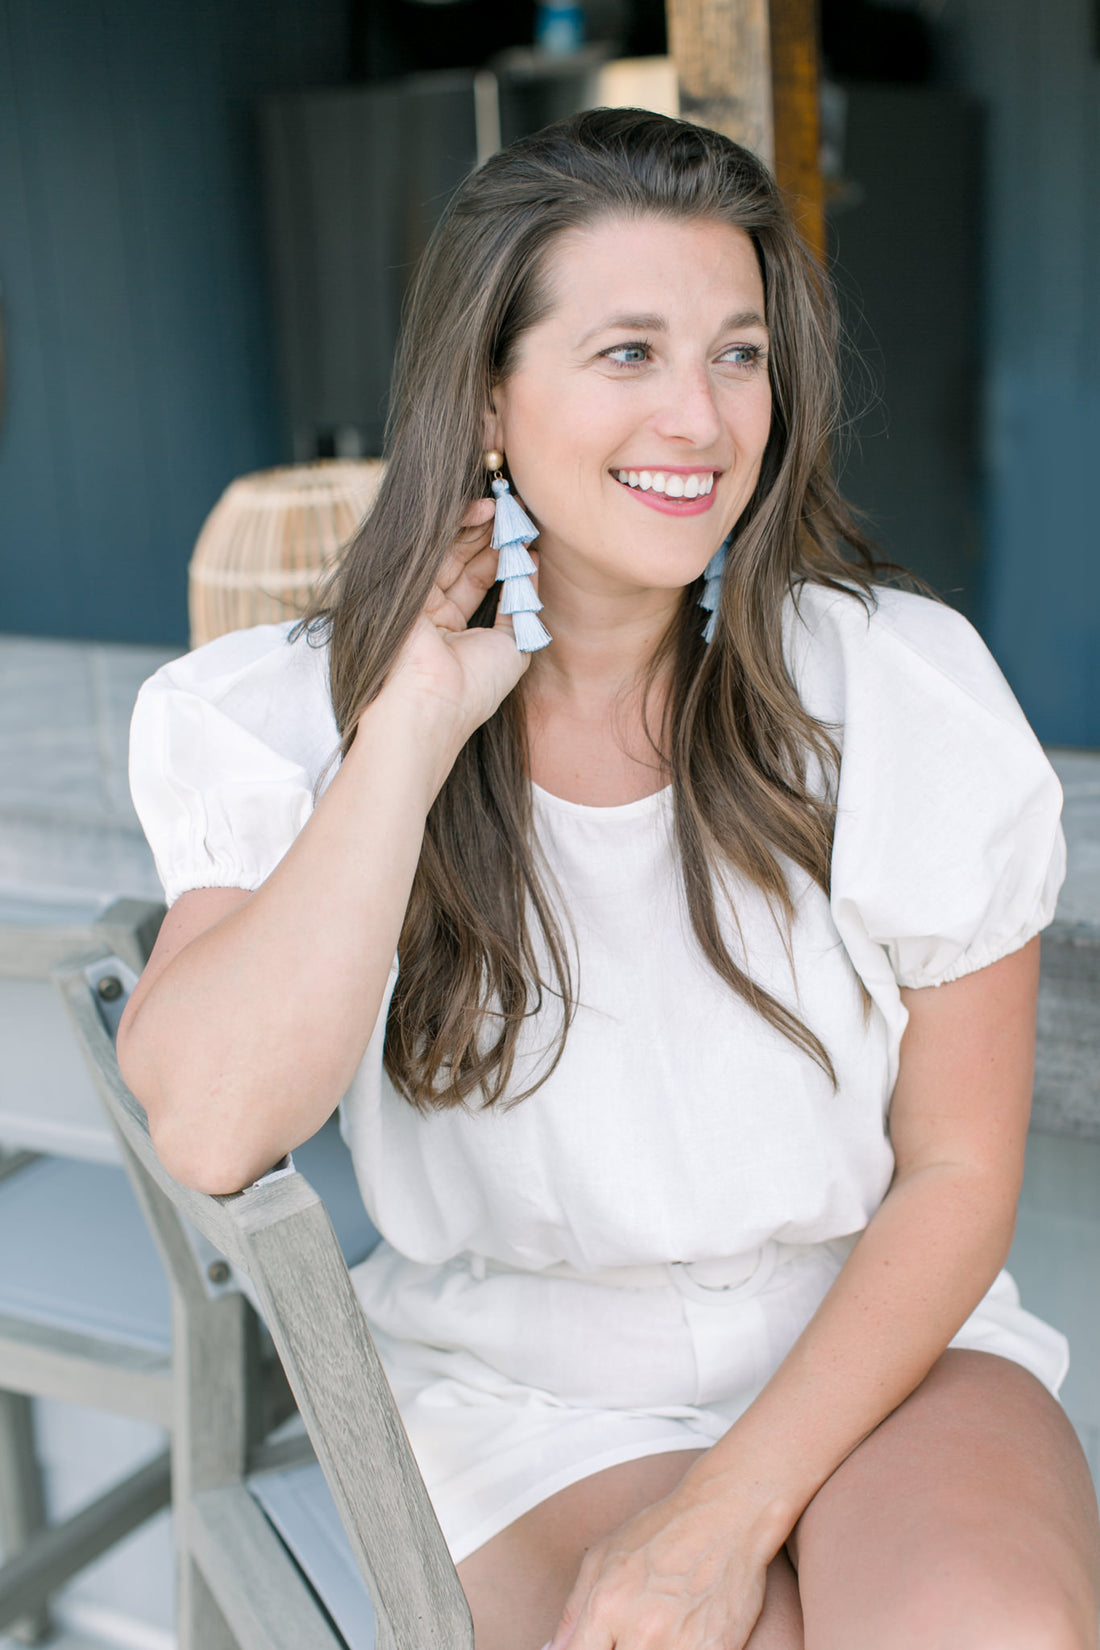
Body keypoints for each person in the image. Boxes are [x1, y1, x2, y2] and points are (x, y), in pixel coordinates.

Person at [120, 110, 1100, 1649]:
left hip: (879, 1342)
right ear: (490, 400)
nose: (701, 419)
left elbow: (963, 1170)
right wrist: (412, 731)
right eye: (628, 352)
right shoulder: (285, 716)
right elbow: (216, 1113)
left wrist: (728, 1514)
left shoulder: (893, 686)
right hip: (528, 1387)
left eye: (738, 353)